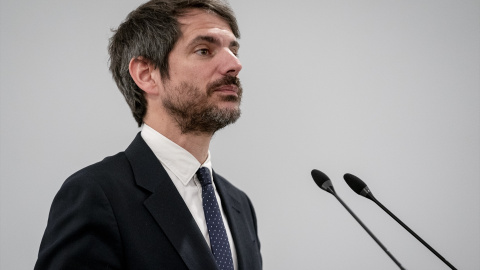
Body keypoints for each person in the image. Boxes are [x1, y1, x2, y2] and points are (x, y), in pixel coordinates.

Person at [34, 0, 262, 269]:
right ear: (146, 74)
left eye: (233, 50)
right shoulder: (96, 194)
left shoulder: (239, 204)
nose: (234, 64)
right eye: (204, 50)